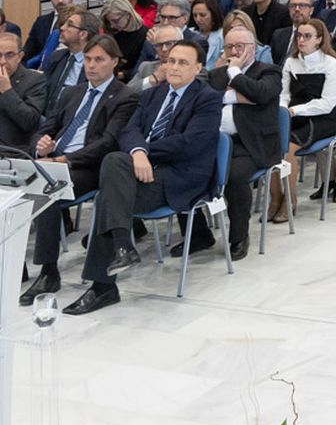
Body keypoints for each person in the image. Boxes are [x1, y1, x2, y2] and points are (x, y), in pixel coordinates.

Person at [68, 39, 222, 314]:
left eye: (182, 62)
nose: (174, 67)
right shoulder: (153, 94)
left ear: (198, 68)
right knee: (113, 170)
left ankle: (104, 285)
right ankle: (120, 251)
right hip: (143, 171)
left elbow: (190, 143)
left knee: (108, 195)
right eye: (171, 61)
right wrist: (137, 152)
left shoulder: (207, 98)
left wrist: (143, 152)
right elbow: (129, 130)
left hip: (179, 177)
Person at [24, 34, 136, 302]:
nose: (91, 65)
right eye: (87, 59)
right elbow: (47, 127)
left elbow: (108, 143)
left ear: (114, 62)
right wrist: (41, 144)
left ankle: (48, 271)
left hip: (90, 166)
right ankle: (17, 266)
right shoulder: (72, 92)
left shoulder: (125, 96)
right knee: (20, 184)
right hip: (55, 160)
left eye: (99, 60)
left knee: (48, 190)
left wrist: (64, 160)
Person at [203, 23, 284, 260]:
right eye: (229, 47)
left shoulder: (269, 72)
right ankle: (198, 234)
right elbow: (204, 100)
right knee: (185, 166)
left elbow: (260, 93)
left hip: (251, 144)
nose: (234, 51)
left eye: (240, 46)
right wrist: (235, 96)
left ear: (252, 48)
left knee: (235, 176)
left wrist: (235, 73)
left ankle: (239, 236)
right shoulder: (215, 75)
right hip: (216, 141)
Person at [276, 19, 336, 215]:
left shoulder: (331, 64)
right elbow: (284, 94)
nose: (301, 40)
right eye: (299, 35)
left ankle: (290, 200)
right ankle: (275, 198)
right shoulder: (291, 62)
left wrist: (295, 111)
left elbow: (327, 103)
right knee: (271, 142)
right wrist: (283, 110)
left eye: (307, 36)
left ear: (319, 40)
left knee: (288, 148)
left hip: (322, 117)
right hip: (294, 114)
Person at [37, 7, 99, 117]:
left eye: (69, 25)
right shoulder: (57, 57)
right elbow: (43, 90)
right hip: (46, 116)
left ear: (83, 34)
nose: (62, 28)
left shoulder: (96, 65)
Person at [23, 0, 76, 66]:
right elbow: (27, 52)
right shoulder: (41, 21)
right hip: (38, 69)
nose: (60, 0)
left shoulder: (82, 22)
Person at [100, 0, 148, 82]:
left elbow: (143, 67)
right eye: (109, 22)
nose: (112, 25)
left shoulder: (145, 35)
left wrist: (122, 74)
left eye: (115, 21)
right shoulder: (113, 31)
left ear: (128, 15)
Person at [271, 0, 316, 66]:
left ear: (311, 10)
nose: (297, 9)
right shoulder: (278, 35)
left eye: (301, 5)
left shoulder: (317, 34)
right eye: (293, 6)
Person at [190, 0, 226, 66]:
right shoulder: (190, 33)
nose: (198, 19)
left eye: (202, 15)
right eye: (195, 15)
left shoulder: (223, 35)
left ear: (213, 14)